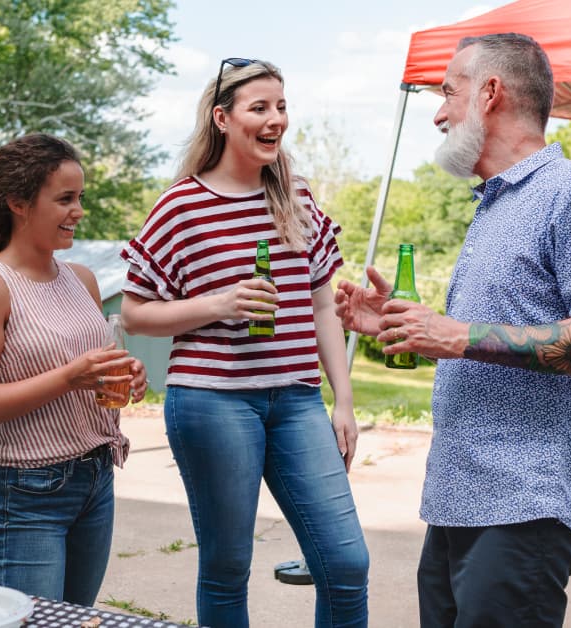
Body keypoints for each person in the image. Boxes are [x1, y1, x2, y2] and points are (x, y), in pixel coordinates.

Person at [335, 33, 571, 627]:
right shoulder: (496, 206)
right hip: (457, 501)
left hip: (525, 506)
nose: (437, 112)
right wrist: (409, 330)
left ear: (490, 94)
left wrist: (455, 335)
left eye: (449, 92)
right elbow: (480, 342)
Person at [119, 58, 369, 628]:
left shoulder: (297, 197)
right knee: (228, 566)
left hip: (297, 400)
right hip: (212, 401)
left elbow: (324, 304)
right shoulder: (181, 205)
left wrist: (344, 399)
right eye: (260, 107)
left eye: (281, 106)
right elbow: (134, 312)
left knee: (345, 562)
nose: (275, 119)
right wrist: (218, 304)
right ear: (223, 118)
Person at [0, 133, 147, 605]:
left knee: (77, 619)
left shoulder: (82, 279)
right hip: (27, 493)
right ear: (18, 202)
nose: (78, 210)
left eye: (80, 198)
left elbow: (95, 363)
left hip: (95, 478)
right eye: (65, 199)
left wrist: (130, 372)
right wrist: (68, 378)